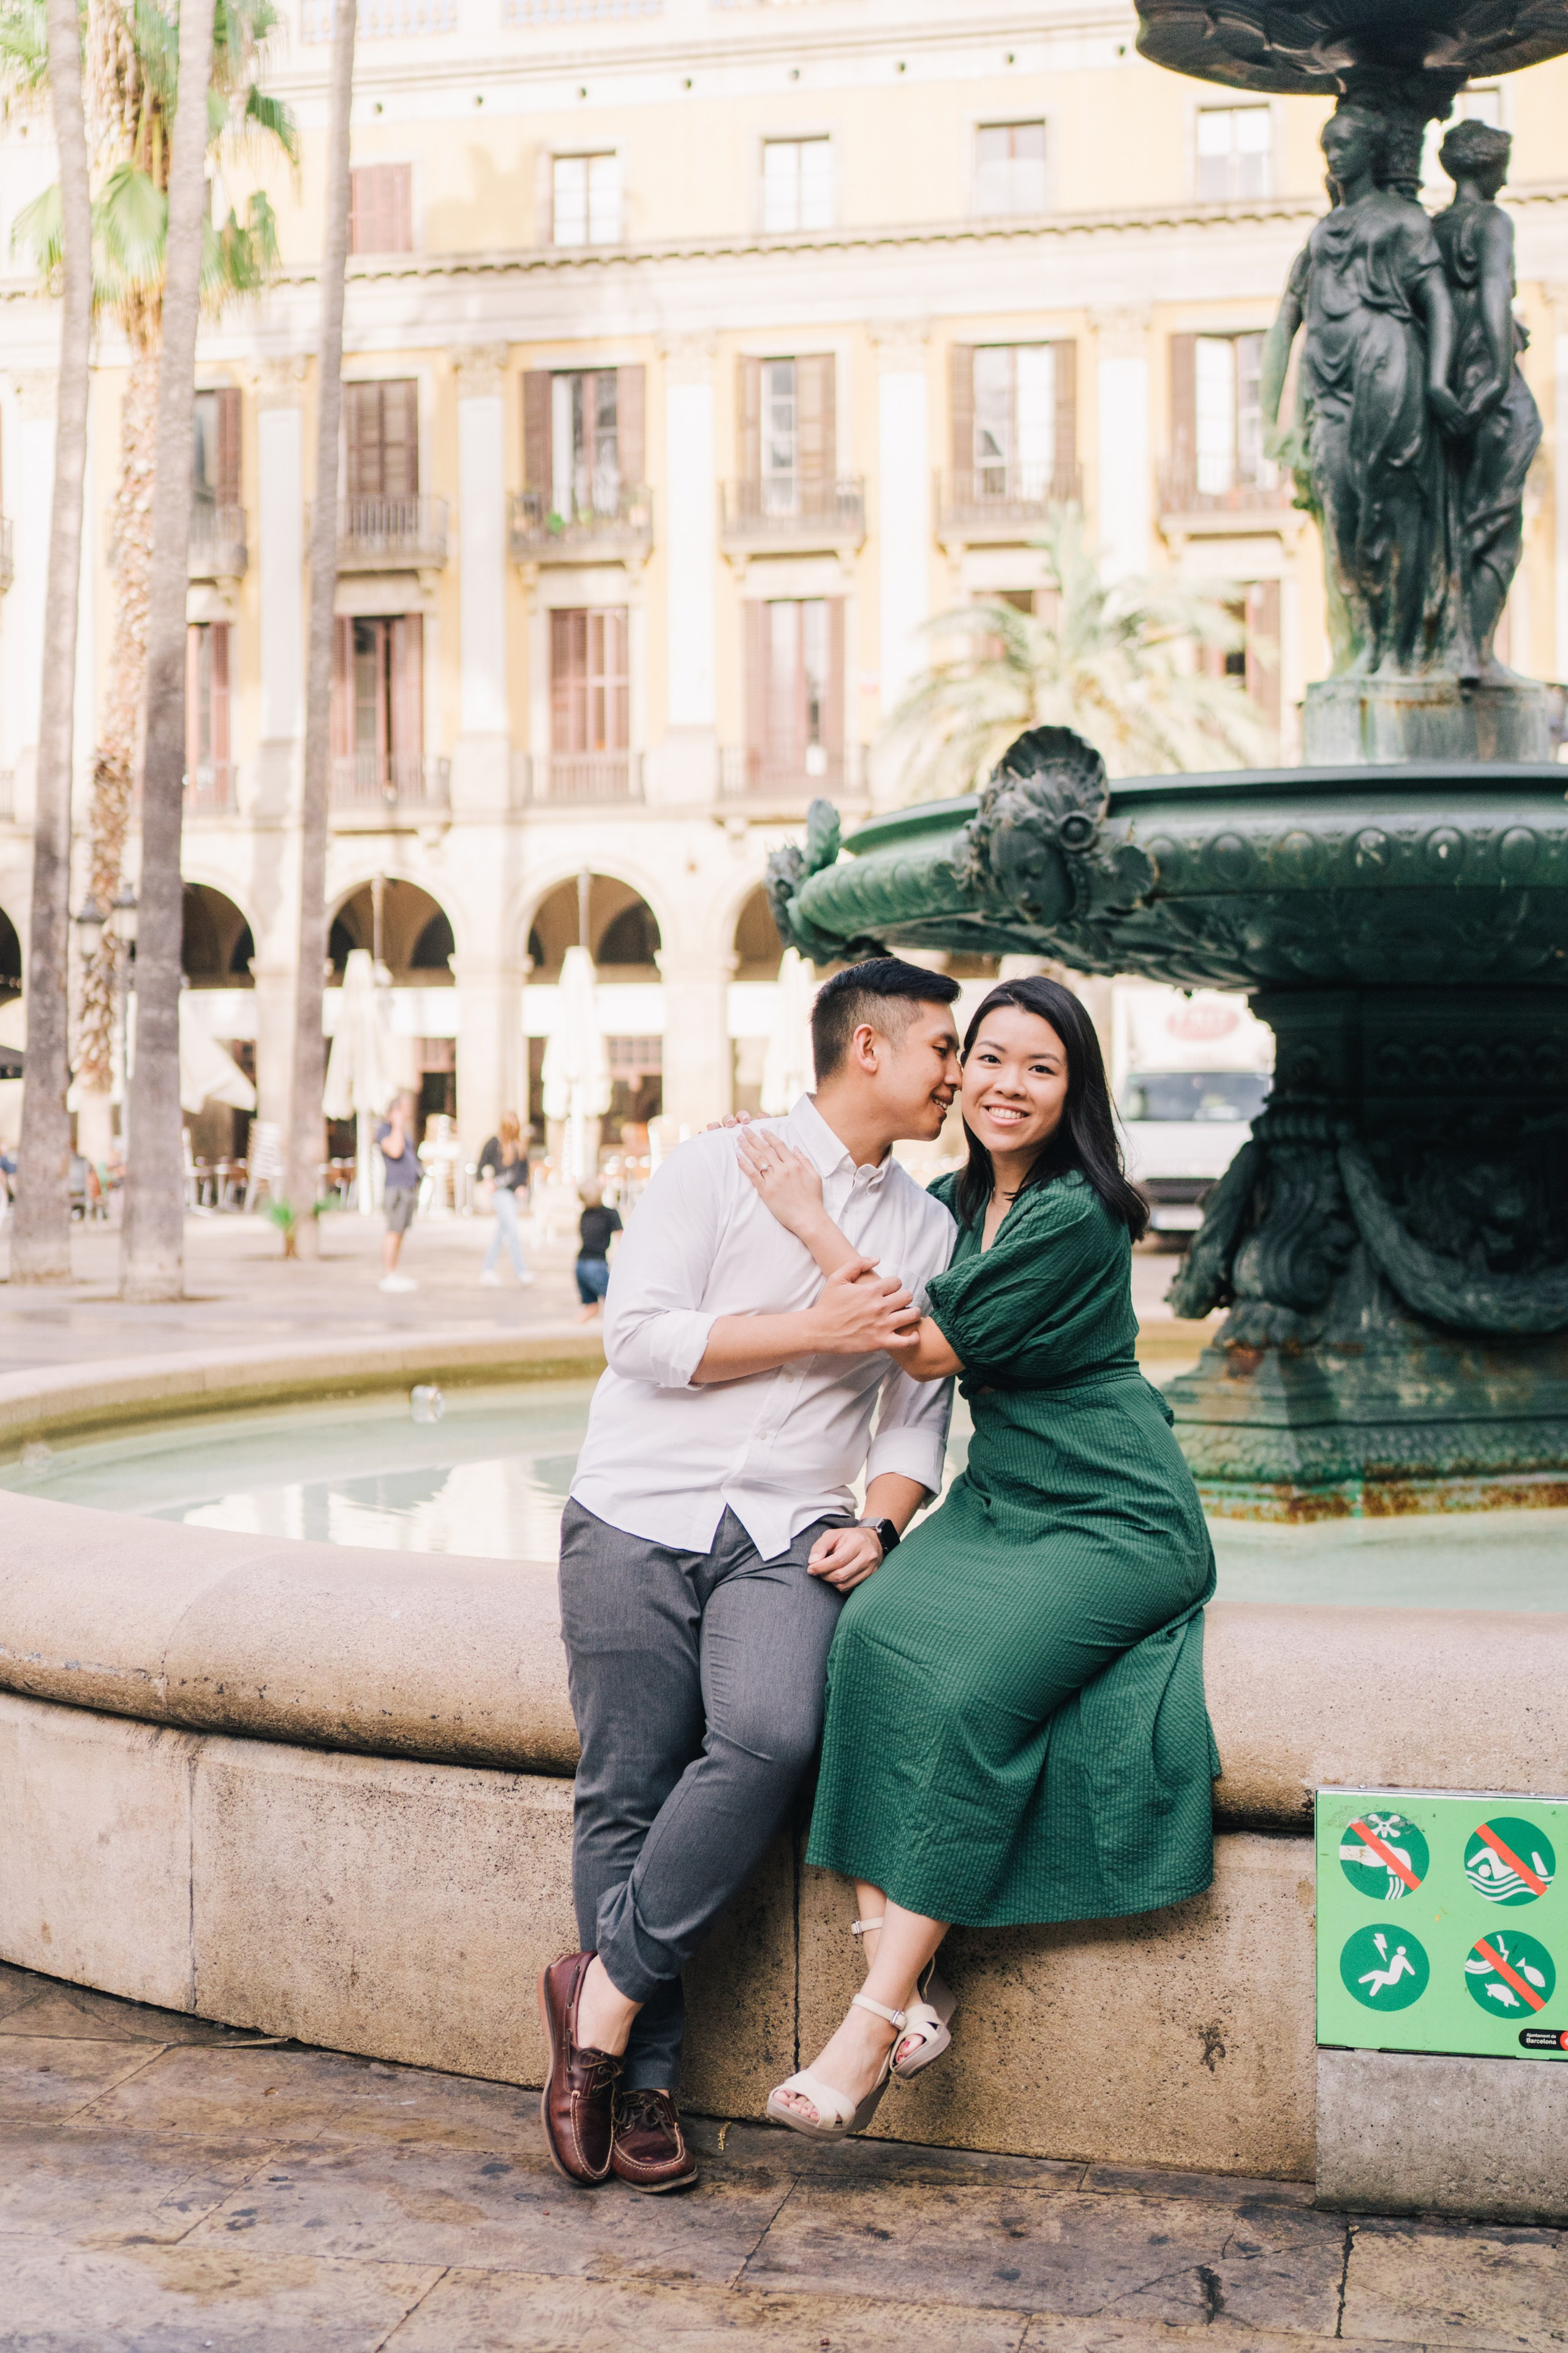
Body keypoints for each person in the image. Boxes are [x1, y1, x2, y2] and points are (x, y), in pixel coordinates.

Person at [730, 975, 1219, 2142]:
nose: (1006, 1084)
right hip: (1006, 1496)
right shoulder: (954, 1200)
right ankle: (904, 1978)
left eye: (1040, 1068)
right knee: (865, 1643)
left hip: (1115, 1509)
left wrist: (810, 1213)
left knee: (964, 1692)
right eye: (989, 1058)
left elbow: (928, 1349)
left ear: (1073, 1091)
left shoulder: (1076, 1214)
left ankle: (869, 2025)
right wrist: (887, 1518)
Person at [538, 958, 963, 2196]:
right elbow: (640, 1337)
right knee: (624, 1785)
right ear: (868, 1049)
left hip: (788, 1526)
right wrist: (811, 1331)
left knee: (773, 1735)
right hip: (634, 1507)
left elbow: (911, 1417)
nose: (955, 1072)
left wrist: (882, 1525)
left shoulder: (925, 1228)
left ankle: (597, 1995)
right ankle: (641, 2076)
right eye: (941, 1048)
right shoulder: (712, 1163)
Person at [1433, 118, 1543, 682]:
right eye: (1503, 160)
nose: (1508, 172)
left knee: (1458, 517)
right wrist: (1497, 381)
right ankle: (1477, 652)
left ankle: (1454, 644)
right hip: (1489, 388)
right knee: (1500, 522)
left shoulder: (1436, 227)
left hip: (1450, 385)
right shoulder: (1493, 222)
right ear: (1485, 163)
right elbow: (1494, 296)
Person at [478, 1113, 534, 1288]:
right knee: (512, 1231)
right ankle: (521, 1271)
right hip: (500, 1193)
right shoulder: (494, 1143)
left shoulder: (519, 1146)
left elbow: (523, 1171)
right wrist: (486, 1181)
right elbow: (481, 1165)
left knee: (501, 1233)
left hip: (512, 1195)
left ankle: (487, 1269)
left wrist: (523, 1187)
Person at [377, 1093, 422, 1294]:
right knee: (393, 1232)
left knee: (401, 1232)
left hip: (407, 1187)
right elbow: (394, 1151)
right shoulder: (385, 1131)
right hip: (395, 1189)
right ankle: (388, 1273)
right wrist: (396, 1125)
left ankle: (394, 1271)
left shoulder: (404, 1133)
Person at [573, 1183, 622, 1321]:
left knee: (592, 1308)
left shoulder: (584, 1215)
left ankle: (568, 1331)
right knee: (619, 1304)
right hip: (596, 1265)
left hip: (580, 1265)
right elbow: (622, 1240)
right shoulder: (610, 1214)